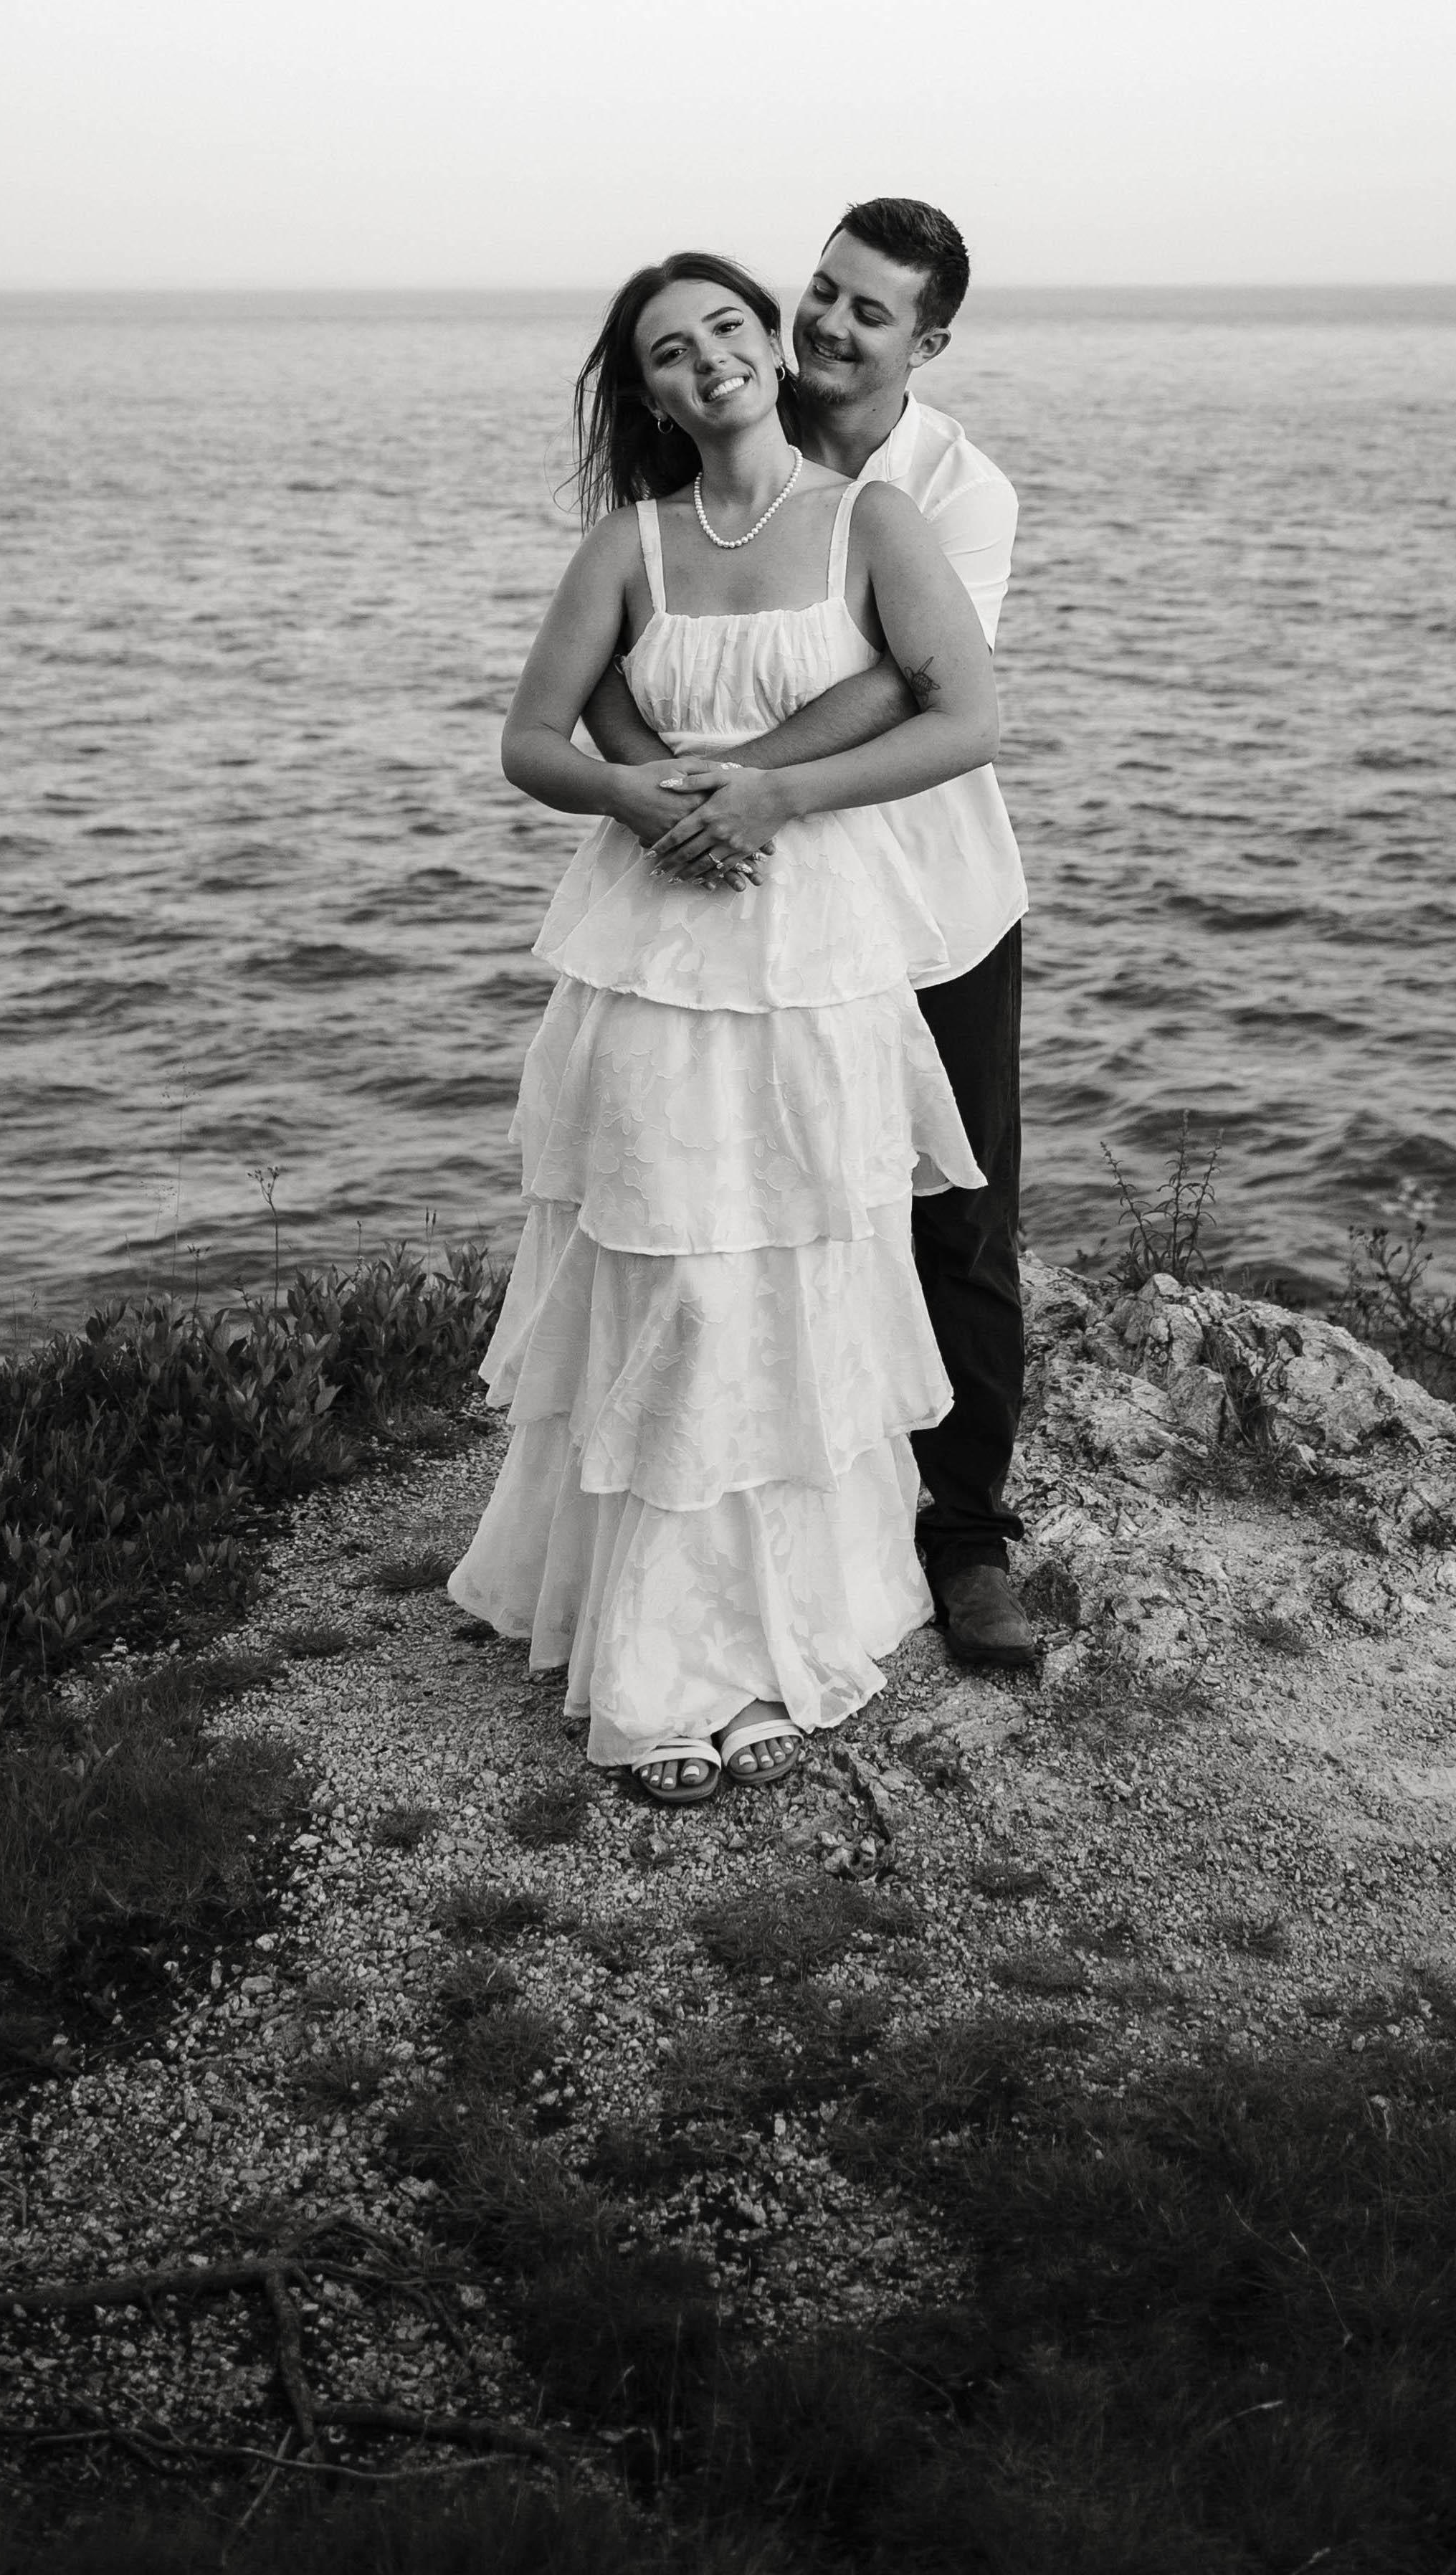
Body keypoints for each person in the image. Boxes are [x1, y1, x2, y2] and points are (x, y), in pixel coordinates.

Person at [448, 250, 1007, 1803]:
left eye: (726, 328)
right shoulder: (631, 543)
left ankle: (775, 1641)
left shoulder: (876, 523)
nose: (709, 361)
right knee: (678, 1271)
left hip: (816, 946)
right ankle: (667, 1663)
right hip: (657, 951)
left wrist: (777, 797)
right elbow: (530, 739)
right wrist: (637, 798)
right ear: (649, 393)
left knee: (803, 1270)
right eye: (668, 352)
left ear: (767, 340)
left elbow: (968, 718)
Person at [584, 200, 1045, 1675]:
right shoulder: (724, 418)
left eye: (872, 310)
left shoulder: (957, 491)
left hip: (930, 904)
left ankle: (967, 1541)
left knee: (955, 1218)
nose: (830, 326)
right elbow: (620, 645)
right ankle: (773, 1522)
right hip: (743, 913)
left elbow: (917, 685)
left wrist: (750, 783)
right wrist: (667, 793)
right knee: (750, 1209)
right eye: (825, 292)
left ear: (930, 342)